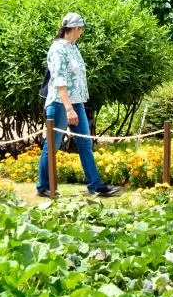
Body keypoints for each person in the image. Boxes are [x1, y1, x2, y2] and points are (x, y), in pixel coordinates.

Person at [36, 12, 121, 198]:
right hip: (60, 104)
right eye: (81, 29)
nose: (82, 32)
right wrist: (68, 108)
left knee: (85, 143)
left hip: (76, 103)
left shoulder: (73, 47)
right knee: (53, 145)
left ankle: (95, 185)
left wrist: (75, 105)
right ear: (74, 28)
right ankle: (43, 186)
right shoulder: (58, 49)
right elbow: (59, 80)